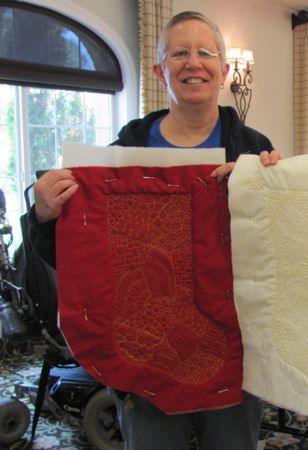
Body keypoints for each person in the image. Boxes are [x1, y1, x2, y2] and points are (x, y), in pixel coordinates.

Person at [29, 11, 275, 450]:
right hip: (146, 353)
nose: (193, 63)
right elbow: (82, 254)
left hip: (235, 347)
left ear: (222, 71)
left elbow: (282, 249)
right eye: (179, 53)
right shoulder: (121, 156)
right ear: (160, 70)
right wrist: (44, 216)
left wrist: (269, 188)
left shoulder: (255, 149)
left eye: (205, 53)